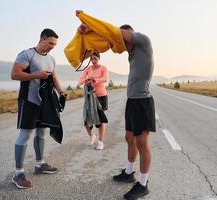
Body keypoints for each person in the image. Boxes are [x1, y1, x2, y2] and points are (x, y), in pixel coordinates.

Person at [77, 12, 155, 199]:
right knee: (129, 137)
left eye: (122, 40)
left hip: (142, 101)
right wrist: (88, 36)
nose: (120, 45)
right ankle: (129, 173)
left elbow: (114, 32)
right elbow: (110, 38)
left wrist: (91, 26)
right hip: (132, 100)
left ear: (128, 34)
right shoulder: (132, 53)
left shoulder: (143, 41)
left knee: (142, 142)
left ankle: (143, 184)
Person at [10, 28, 67, 189]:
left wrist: (61, 91)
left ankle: (40, 164)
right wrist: (36, 75)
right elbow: (14, 75)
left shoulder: (51, 59)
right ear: (42, 39)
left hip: (44, 103)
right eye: (50, 43)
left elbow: (53, 77)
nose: (52, 46)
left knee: (41, 133)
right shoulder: (27, 54)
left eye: (54, 44)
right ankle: (18, 173)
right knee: (25, 135)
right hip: (28, 100)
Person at [78, 52, 108, 150]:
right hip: (90, 97)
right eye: (91, 59)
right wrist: (87, 79)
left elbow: (105, 78)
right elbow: (80, 81)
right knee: (86, 119)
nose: (93, 61)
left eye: (95, 59)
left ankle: (100, 141)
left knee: (101, 119)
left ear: (98, 58)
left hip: (101, 96)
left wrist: (94, 79)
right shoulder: (88, 69)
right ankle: (91, 136)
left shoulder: (103, 68)